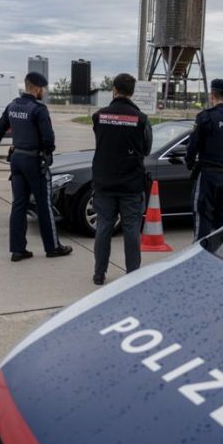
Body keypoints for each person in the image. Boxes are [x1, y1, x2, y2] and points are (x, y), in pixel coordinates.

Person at [0, 72, 72, 261]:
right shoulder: (38, 109)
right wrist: (47, 152)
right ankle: (53, 247)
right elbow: (48, 138)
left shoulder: (12, 106)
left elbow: (0, 127)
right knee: (44, 205)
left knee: (19, 205)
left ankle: (18, 250)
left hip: (16, 160)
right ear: (36, 88)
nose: (43, 92)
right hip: (34, 162)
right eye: (43, 89)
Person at [91, 73, 153, 286]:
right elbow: (146, 148)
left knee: (104, 227)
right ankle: (133, 275)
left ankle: (99, 274)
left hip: (104, 182)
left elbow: (100, 140)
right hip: (131, 184)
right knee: (131, 230)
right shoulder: (141, 119)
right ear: (132, 92)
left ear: (114, 90)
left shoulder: (99, 116)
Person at [185, 79, 223, 240]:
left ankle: (200, 255)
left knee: (202, 216)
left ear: (212, 95)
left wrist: (189, 162)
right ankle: (219, 255)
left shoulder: (205, 117)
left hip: (208, 175)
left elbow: (193, 145)